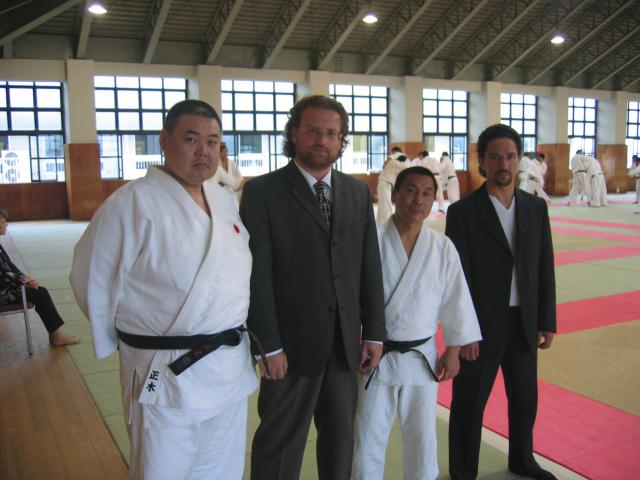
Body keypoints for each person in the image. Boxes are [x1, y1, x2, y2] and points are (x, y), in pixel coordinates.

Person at [70, 100, 257, 480]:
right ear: (164, 140)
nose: (203, 151)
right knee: (162, 471)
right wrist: (133, 336)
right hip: (165, 370)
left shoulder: (223, 199)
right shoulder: (131, 203)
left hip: (225, 370)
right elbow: (91, 278)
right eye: (191, 139)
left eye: (212, 141)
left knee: (222, 470)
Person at [240, 95, 386, 480]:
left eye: (332, 133)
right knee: (280, 444)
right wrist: (267, 344)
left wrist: (374, 332)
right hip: (289, 349)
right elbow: (257, 276)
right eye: (313, 131)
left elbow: (369, 267)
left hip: (344, 345)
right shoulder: (263, 193)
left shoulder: (356, 193)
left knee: (340, 442)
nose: (322, 140)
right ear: (294, 134)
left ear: (342, 140)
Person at [352, 167, 481, 480]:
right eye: (410, 190)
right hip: (374, 356)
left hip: (422, 357)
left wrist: (453, 347)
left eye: (426, 193)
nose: (418, 199)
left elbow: (455, 297)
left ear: (434, 200)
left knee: (422, 437)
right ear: (394, 195)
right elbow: (352, 297)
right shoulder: (371, 241)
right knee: (367, 435)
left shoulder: (441, 247)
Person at [446, 124, 557, 480]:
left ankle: (522, 460)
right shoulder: (463, 213)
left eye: (509, 156)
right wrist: (460, 332)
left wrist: (546, 319)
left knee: (525, 400)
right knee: (469, 403)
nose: (503, 163)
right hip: (478, 326)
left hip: (523, 321)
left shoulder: (535, 208)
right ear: (481, 161)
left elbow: (544, 267)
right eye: (494, 156)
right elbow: (454, 279)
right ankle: (463, 471)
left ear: (518, 160)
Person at [0, 209, 79, 347]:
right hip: (3, 293)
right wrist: (23, 282)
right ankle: (56, 336)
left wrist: (25, 278)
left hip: (5, 287)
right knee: (40, 293)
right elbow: (5, 274)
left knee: (38, 291)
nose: (6, 225)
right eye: (2, 222)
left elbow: (10, 267)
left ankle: (55, 334)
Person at [376, 146, 408, 223]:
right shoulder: (400, 161)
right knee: (385, 205)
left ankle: (383, 222)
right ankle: (384, 223)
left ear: (394, 152)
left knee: (384, 204)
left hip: (385, 182)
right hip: (386, 182)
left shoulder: (396, 155)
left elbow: (386, 163)